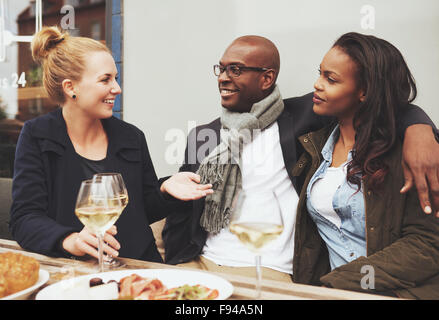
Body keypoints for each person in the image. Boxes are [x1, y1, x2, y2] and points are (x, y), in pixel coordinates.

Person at [162, 35, 439, 282]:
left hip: (270, 271)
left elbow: (385, 103)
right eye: (220, 69)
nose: (223, 77)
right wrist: (172, 262)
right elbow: (182, 206)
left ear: (267, 78)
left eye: (235, 70)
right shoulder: (204, 136)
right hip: (199, 265)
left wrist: (421, 128)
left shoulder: (305, 118)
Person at [9, 26, 212, 263]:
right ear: (70, 87)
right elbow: (25, 218)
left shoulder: (132, 137)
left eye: (115, 78)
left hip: (139, 266)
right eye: (105, 79)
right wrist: (71, 240)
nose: (117, 88)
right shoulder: (37, 135)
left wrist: (165, 189)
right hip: (75, 271)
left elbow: (143, 210)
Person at [292, 32, 439, 299]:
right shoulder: (314, 141)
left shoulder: (407, 152)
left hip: (397, 292)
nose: (317, 84)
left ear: (365, 91)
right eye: (320, 73)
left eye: (331, 79)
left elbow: (428, 243)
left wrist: (339, 283)